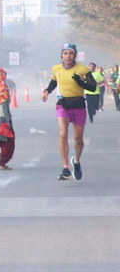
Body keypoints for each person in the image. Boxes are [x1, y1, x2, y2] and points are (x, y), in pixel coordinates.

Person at [42, 44, 100, 181]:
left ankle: (77, 161)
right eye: (65, 53)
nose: (68, 56)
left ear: (75, 55)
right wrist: (47, 91)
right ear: (62, 55)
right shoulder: (56, 68)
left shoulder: (82, 69)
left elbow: (92, 87)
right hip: (63, 105)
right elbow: (54, 81)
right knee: (62, 134)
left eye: (71, 53)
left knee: (78, 139)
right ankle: (65, 167)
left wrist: (80, 82)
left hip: (78, 105)